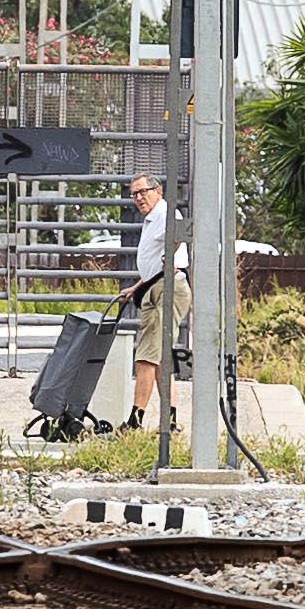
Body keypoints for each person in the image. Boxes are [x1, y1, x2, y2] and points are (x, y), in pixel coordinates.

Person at [125, 173, 192, 430]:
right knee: (161, 357)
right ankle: (171, 420)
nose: (139, 197)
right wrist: (136, 286)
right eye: (135, 194)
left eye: (144, 191)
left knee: (146, 356)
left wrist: (169, 258)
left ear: (158, 191)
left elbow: (180, 233)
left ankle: (135, 421)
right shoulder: (151, 219)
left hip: (167, 288)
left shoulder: (165, 213)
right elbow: (155, 261)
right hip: (154, 287)